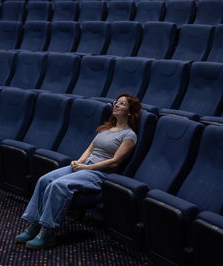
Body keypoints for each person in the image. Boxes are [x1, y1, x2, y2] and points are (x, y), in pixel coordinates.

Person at [15, 94, 141, 249]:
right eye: (116, 102)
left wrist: (87, 167)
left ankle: (47, 232)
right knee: (44, 180)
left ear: (129, 112)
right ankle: (34, 225)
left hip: (100, 173)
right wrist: (79, 162)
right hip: (85, 165)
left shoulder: (129, 135)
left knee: (58, 185)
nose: (116, 105)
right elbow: (89, 149)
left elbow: (115, 161)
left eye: (122, 104)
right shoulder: (106, 128)